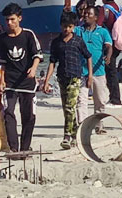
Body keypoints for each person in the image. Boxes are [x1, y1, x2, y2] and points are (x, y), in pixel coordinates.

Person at [43, 11, 92, 149]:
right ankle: (76, 133)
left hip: (75, 78)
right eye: (65, 26)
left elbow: (88, 56)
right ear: (60, 26)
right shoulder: (56, 42)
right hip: (61, 78)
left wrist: (90, 76)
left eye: (70, 26)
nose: (67, 29)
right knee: (66, 109)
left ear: (74, 27)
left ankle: (66, 136)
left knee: (70, 107)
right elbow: (52, 62)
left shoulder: (78, 41)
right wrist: (47, 80)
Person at [0, 3, 42, 152]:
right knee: (8, 112)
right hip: (10, 82)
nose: (9, 23)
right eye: (7, 20)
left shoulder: (28, 35)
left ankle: (25, 147)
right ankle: (14, 147)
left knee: (28, 116)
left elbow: (37, 55)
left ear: (19, 18)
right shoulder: (2, 39)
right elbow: (2, 62)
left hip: (27, 82)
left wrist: (34, 69)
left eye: (12, 19)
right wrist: (1, 80)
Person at [75, 6, 113, 127]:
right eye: (85, 13)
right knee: (81, 101)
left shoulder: (102, 32)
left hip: (98, 71)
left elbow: (109, 46)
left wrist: (108, 56)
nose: (86, 15)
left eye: (89, 14)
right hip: (81, 71)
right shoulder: (78, 30)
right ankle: (83, 126)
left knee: (100, 101)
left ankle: (98, 124)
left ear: (96, 17)